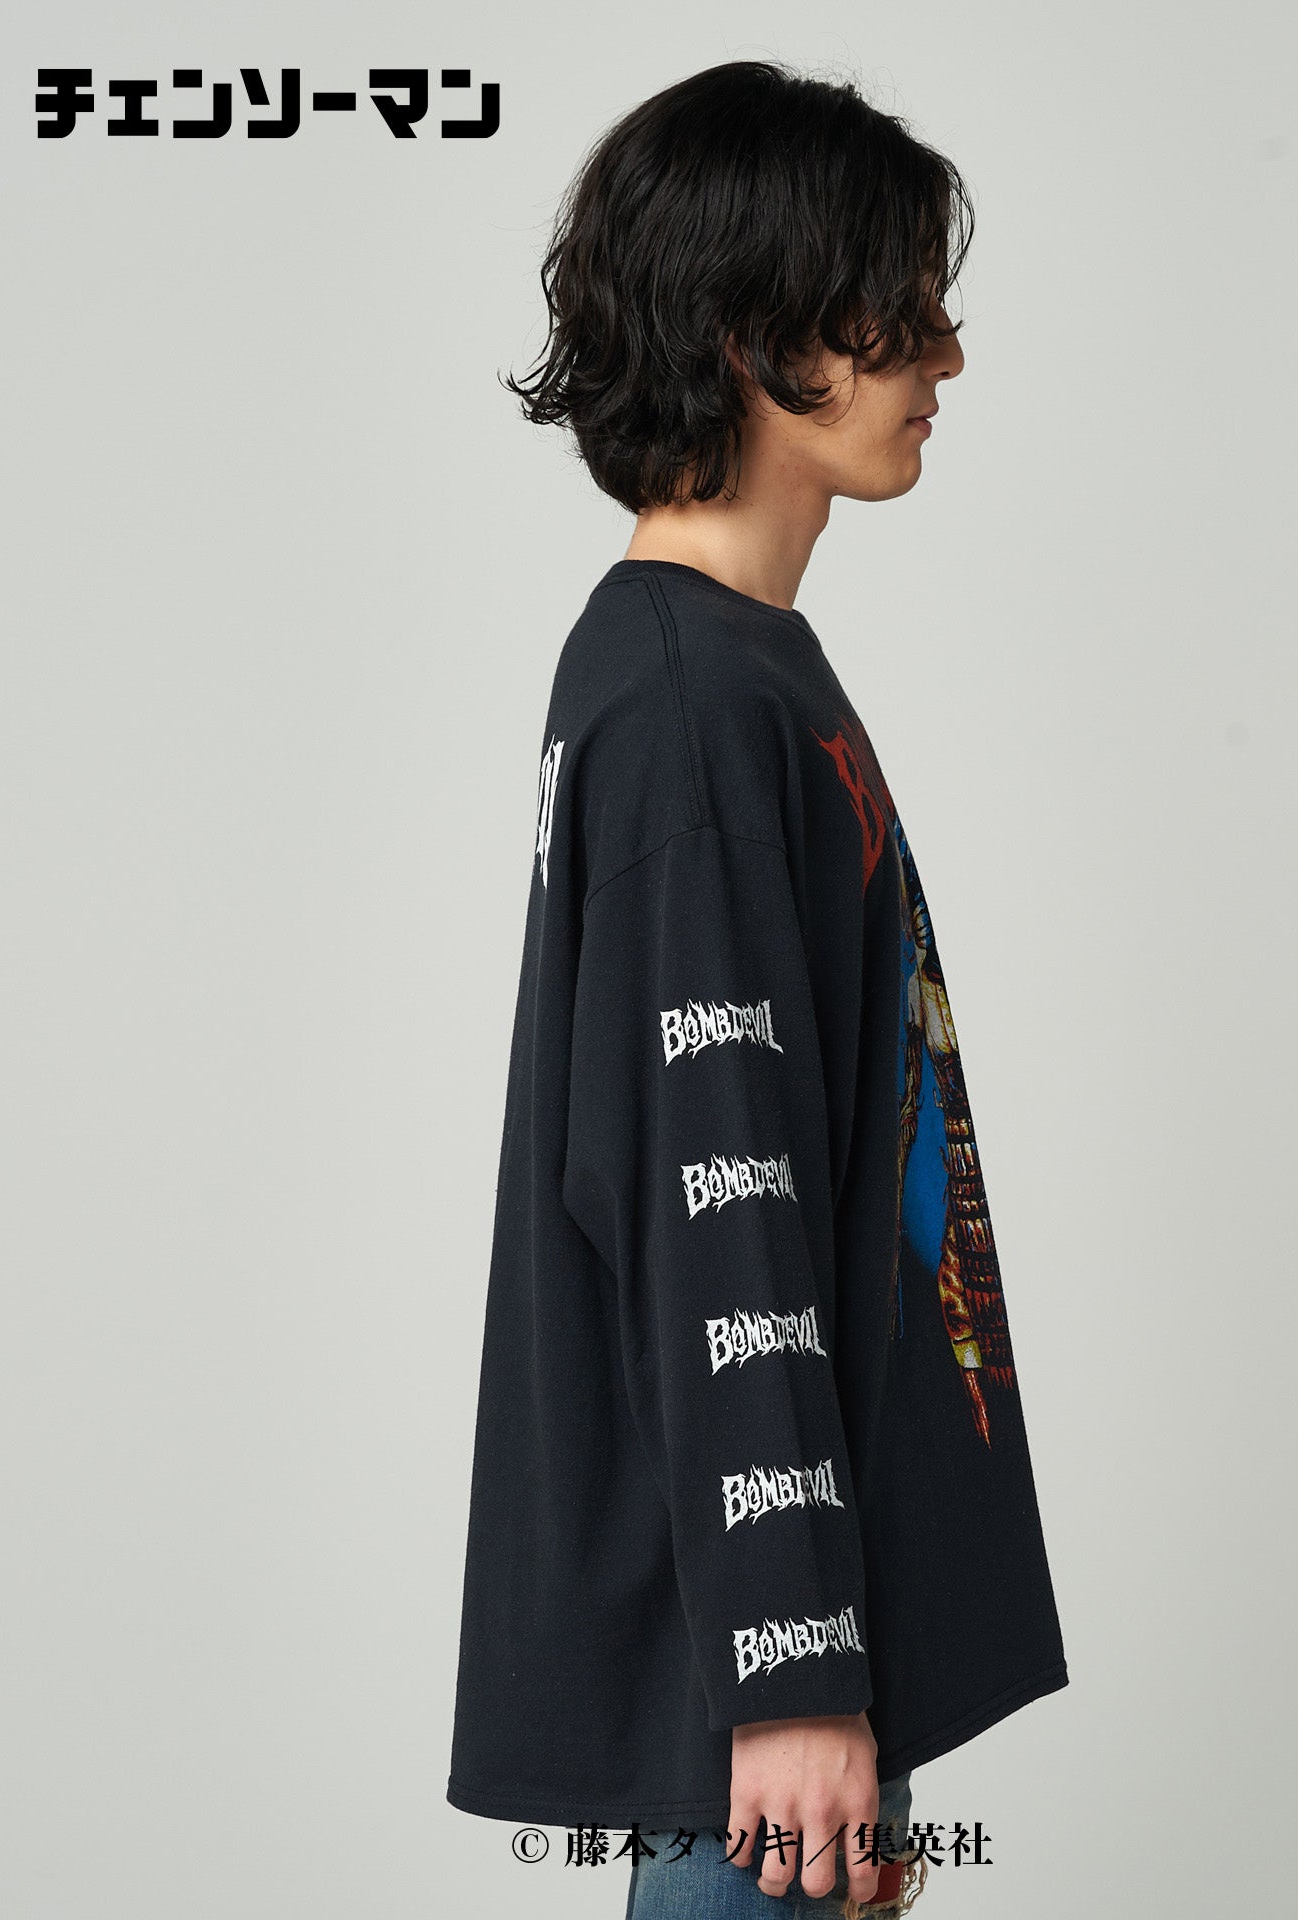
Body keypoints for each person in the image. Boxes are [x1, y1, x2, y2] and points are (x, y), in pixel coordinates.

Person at [446, 60, 1070, 1916]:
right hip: (756, 1696)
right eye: (896, 309)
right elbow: (709, 1196)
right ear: (751, 337)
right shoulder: (688, 703)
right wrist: (794, 1679)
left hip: (786, 1649)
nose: (944, 357)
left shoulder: (729, 669)